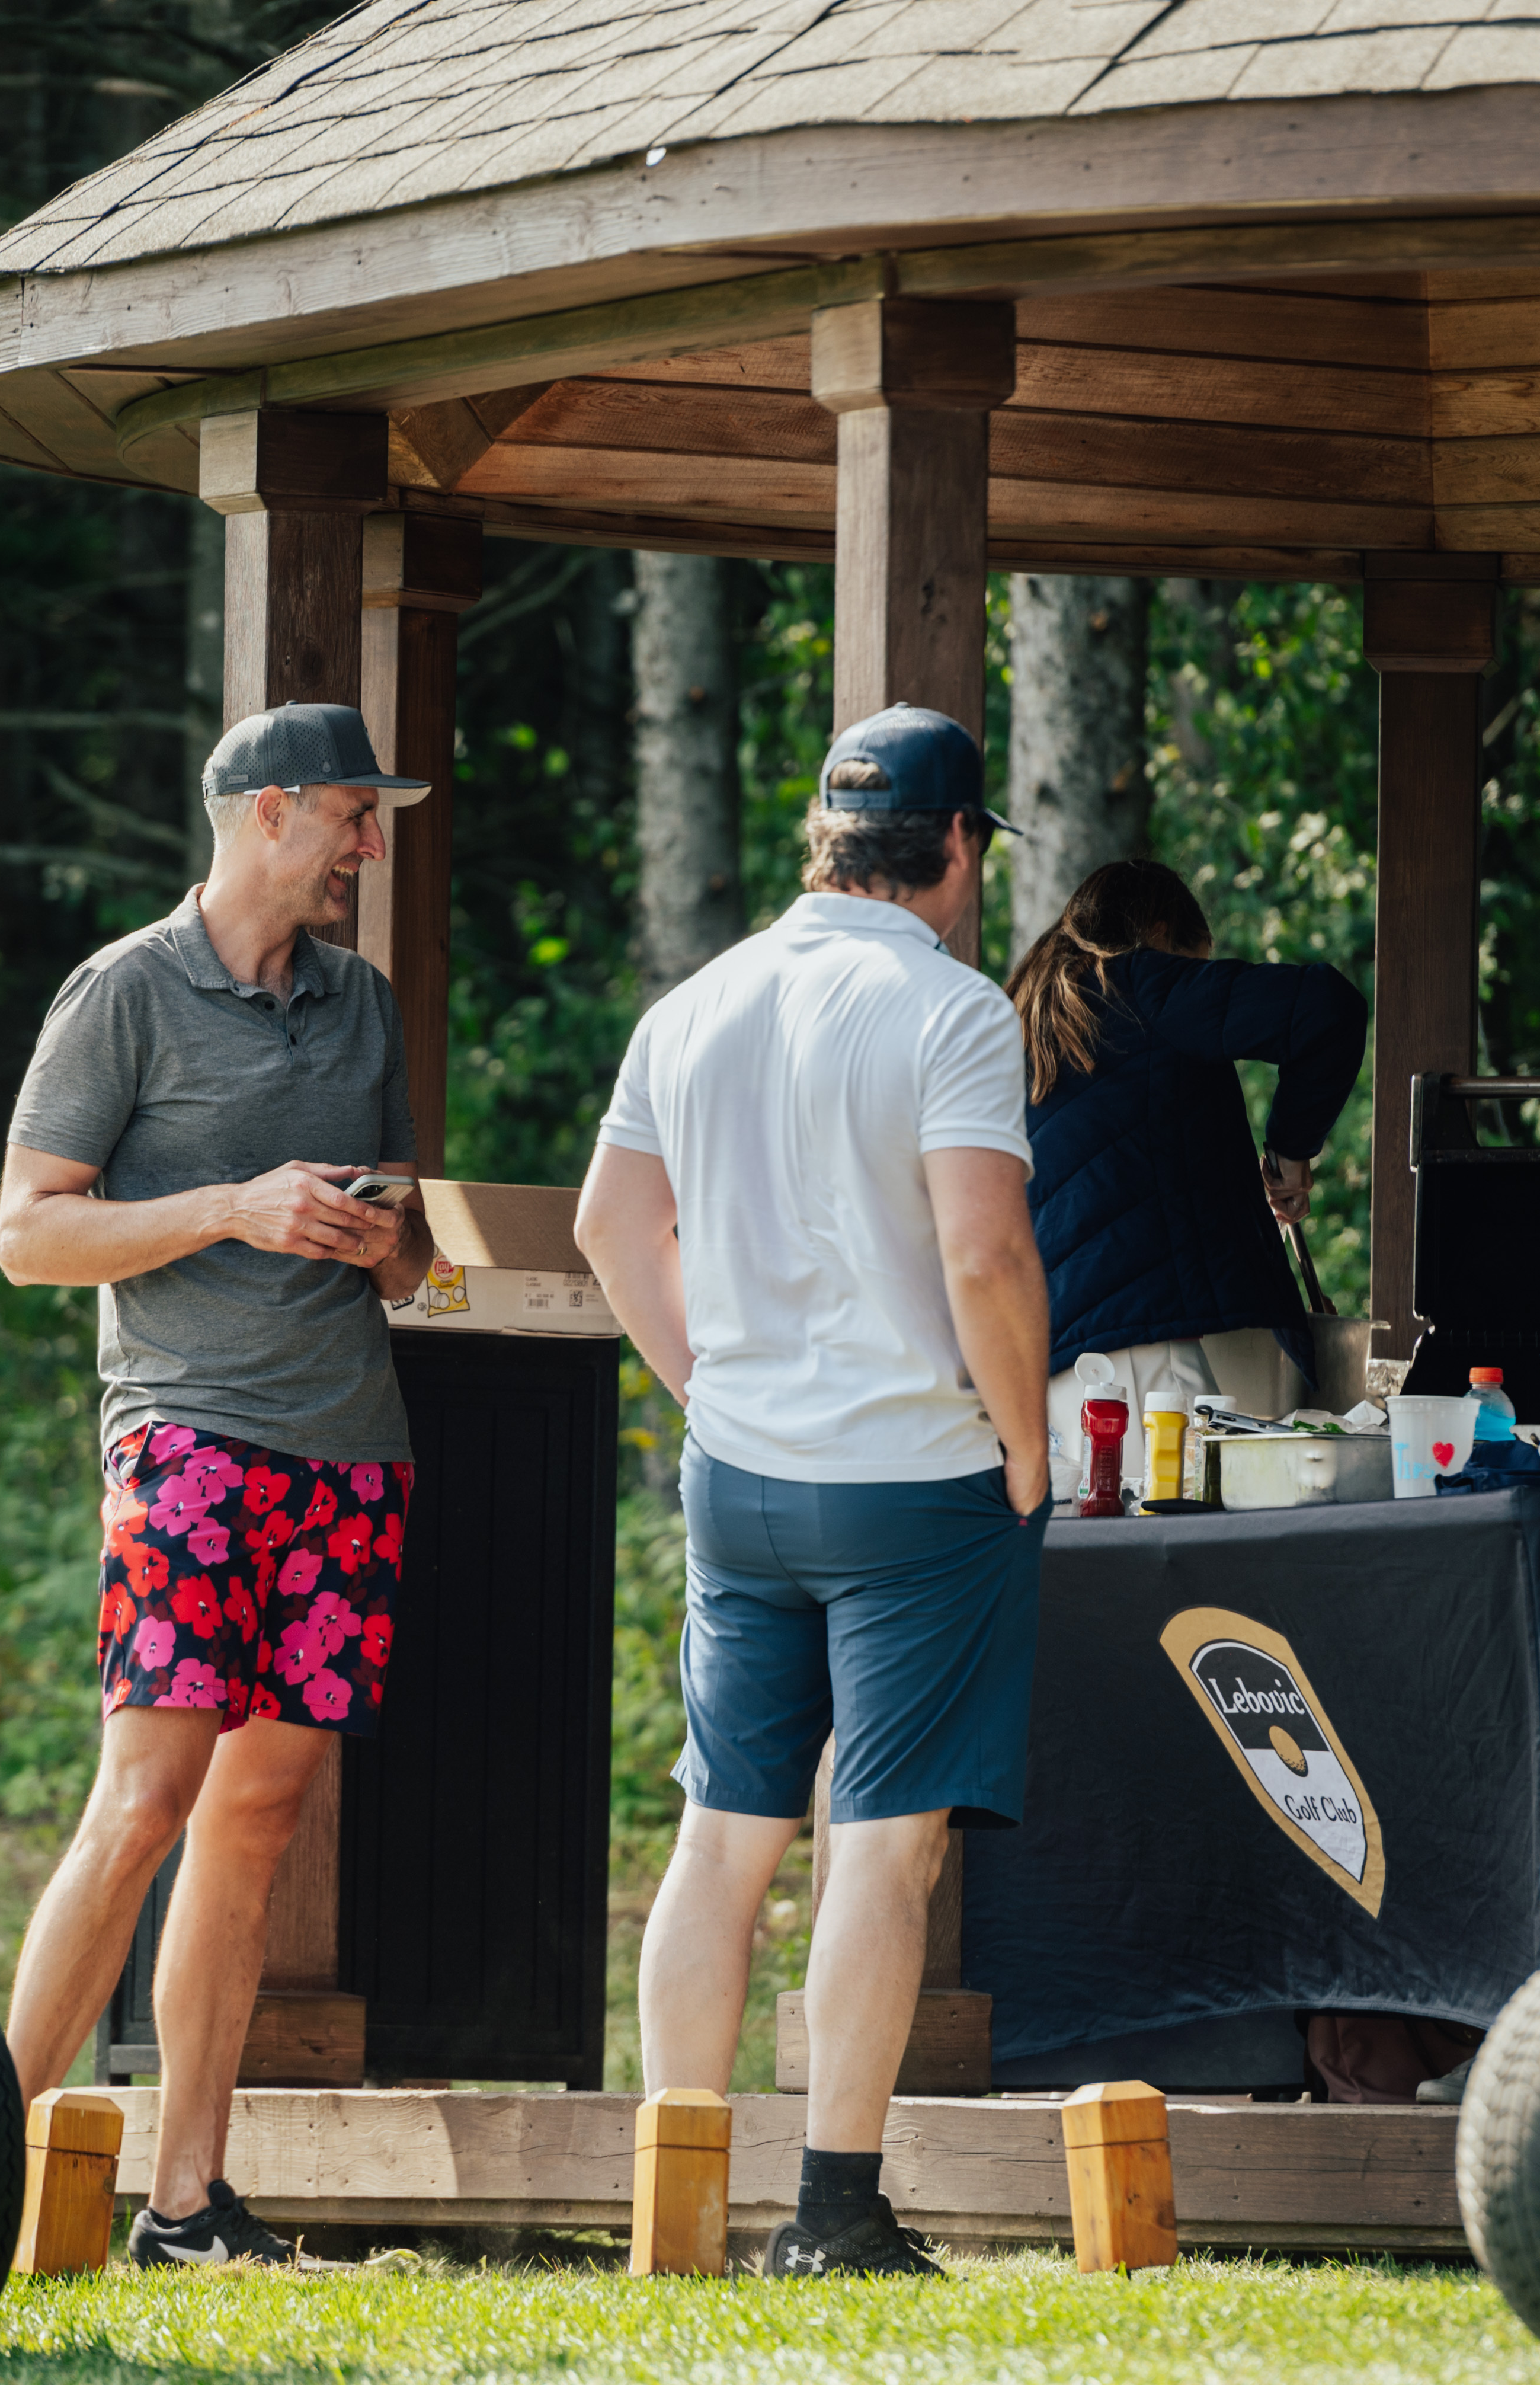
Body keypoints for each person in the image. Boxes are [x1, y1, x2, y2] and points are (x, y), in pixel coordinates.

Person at [576, 702, 1050, 2281]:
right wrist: (1029, 1442)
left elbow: (607, 1225)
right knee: (884, 1842)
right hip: (914, 1480)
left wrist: (703, 1384)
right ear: (960, 845)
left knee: (723, 1836)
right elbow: (984, 1251)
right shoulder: (955, 1009)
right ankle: (836, 2210)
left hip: (742, 1478)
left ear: (826, 840)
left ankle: (675, 2206)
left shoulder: (695, 1001)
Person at [0, 700, 437, 2269]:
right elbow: (28, 1234)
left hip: (349, 1452)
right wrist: (232, 1206)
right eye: (353, 816)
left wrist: (387, 1241)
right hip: (188, 1441)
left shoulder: (363, 1003)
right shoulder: (124, 990)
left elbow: (414, 1256)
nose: (369, 846)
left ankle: (187, 2202)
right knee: (143, 1806)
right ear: (268, 813)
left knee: (255, 1817)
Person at [1007, 857, 1367, 1489]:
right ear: (1159, 933)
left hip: (1054, 1361)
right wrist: (1290, 1149)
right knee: (1178, 1538)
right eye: (1192, 962)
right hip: (1146, 1353)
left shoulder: (1029, 1018)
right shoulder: (1142, 985)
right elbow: (1326, 1008)